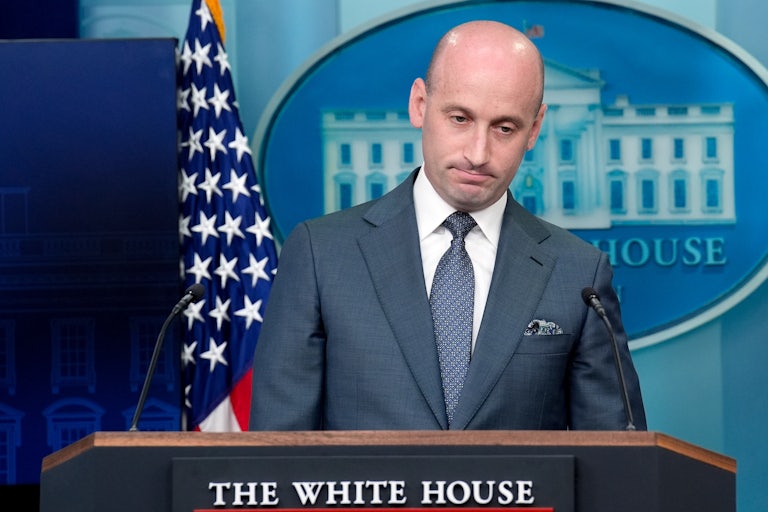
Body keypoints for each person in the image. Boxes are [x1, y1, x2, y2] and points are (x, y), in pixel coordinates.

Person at [250, 20, 647, 431]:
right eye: (460, 118)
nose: (478, 153)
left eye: (504, 128)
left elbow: (617, 457)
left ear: (534, 130)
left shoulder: (578, 273)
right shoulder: (321, 255)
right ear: (419, 105)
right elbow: (278, 451)